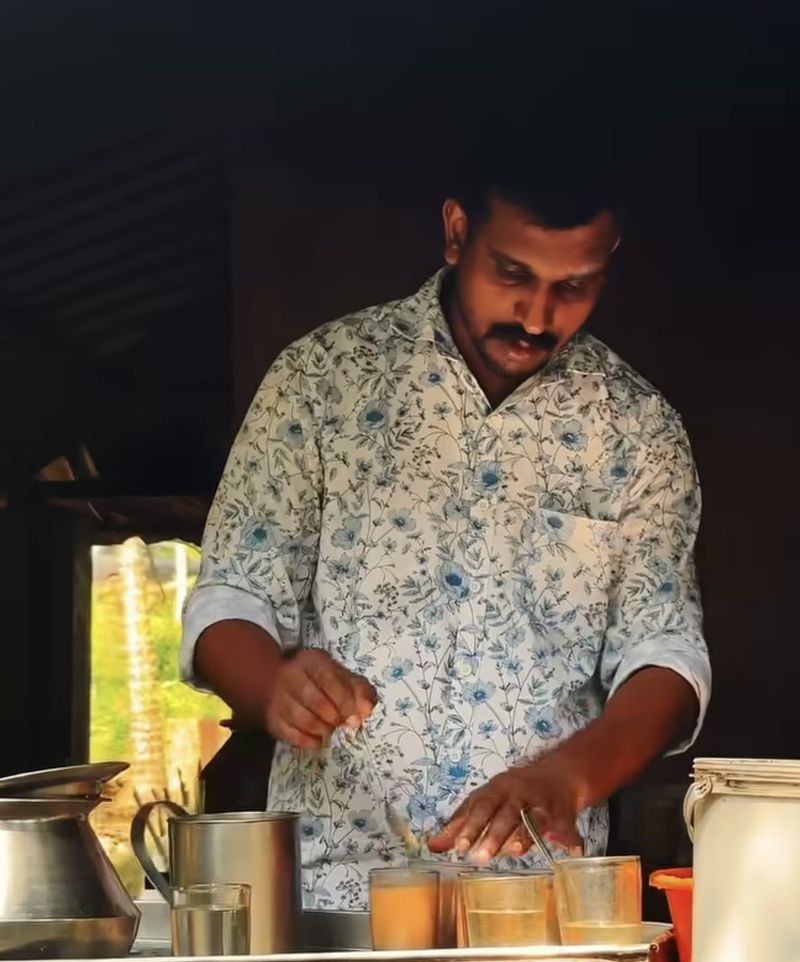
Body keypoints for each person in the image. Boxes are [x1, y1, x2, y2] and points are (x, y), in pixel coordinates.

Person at [181, 151, 710, 909]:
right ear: (457, 232)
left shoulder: (637, 429)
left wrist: (570, 776)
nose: (537, 315)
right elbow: (229, 598)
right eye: (513, 273)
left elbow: (666, 654)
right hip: (332, 895)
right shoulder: (322, 379)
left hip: (537, 909)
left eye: (575, 286)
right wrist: (272, 684)